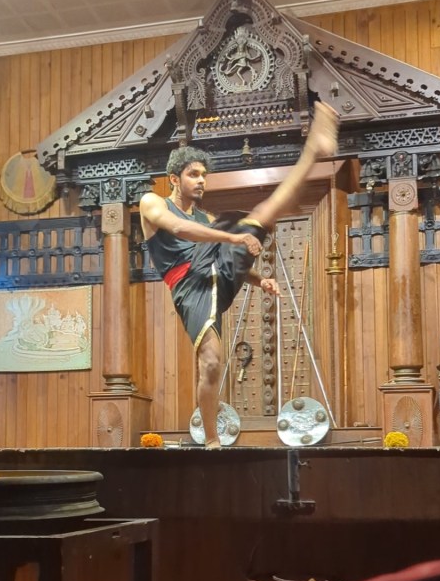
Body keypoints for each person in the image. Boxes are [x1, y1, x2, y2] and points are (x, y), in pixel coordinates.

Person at [139, 102, 339, 447]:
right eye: (193, 174)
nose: (201, 180)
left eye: (204, 175)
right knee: (211, 362)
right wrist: (234, 238)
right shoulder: (152, 203)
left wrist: (259, 280)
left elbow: (222, 251)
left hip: (214, 271)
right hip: (189, 284)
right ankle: (212, 440)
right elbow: (179, 229)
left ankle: (313, 151)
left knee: (263, 213)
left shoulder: (205, 219)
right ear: (174, 179)